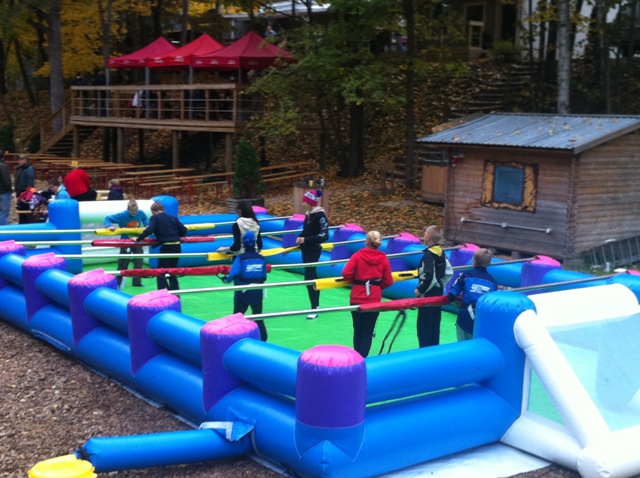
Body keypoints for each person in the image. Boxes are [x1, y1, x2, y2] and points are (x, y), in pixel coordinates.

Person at [342, 231, 394, 357]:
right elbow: (389, 280)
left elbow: (346, 273)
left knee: (357, 331)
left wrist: (356, 281)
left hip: (357, 296)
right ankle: (363, 358)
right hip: (374, 299)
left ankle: (356, 358)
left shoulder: (358, 255)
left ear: (367, 242)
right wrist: (376, 287)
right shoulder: (383, 259)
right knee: (368, 332)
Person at [223, 231, 268, 341]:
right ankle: (263, 340)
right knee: (258, 317)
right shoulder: (261, 258)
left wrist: (226, 280)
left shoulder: (240, 258)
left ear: (243, 243)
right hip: (257, 291)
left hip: (242, 292)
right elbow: (264, 276)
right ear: (255, 243)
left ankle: (233, 340)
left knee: (237, 317)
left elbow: (233, 273)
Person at [414, 225, 453, 347]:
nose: (424, 235)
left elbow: (429, 276)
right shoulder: (441, 253)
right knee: (434, 326)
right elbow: (449, 272)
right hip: (438, 294)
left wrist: (420, 289)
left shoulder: (428, 255)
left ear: (428, 237)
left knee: (424, 327)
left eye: (425, 233)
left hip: (428, 296)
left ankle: (424, 351)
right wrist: (440, 285)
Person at [447, 248, 498, 341]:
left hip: (464, 320)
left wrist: (458, 305)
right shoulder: (493, 283)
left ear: (474, 261)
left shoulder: (465, 276)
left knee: (463, 347)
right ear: (489, 263)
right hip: (481, 322)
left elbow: (451, 296)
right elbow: (492, 305)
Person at [135, 201, 187, 291]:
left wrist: (138, 239)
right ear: (163, 210)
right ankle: (175, 293)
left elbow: (149, 230)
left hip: (167, 247)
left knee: (160, 271)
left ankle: (163, 292)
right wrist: (174, 235)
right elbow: (184, 230)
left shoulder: (155, 218)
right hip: (177, 247)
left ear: (154, 211)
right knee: (172, 270)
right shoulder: (172, 217)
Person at [295, 189, 329, 319]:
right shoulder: (308, 214)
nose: (303, 203)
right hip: (306, 249)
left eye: (305, 201)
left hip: (314, 249)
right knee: (310, 277)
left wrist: (306, 240)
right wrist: (300, 237)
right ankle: (315, 305)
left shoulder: (320, 216)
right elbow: (307, 231)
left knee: (310, 278)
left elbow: (324, 235)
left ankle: (315, 307)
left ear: (310, 202)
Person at [105, 200, 149, 289]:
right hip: (125, 241)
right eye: (132, 211)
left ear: (137, 209)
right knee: (123, 262)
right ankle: (118, 281)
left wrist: (146, 224)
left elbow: (145, 218)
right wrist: (108, 226)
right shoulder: (122, 215)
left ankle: (137, 282)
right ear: (128, 209)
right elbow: (107, 218)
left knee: (139, 261)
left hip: (137, 240)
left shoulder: (140, 213)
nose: (134, 212)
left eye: (135, 210)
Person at [14, 155, 35, 224]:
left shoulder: (29, 169)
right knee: (20, 209)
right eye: (19, 160)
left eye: (21, 160)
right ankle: (22, 222)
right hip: (20, 192)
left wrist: (29, 194)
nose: (19, 161)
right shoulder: (20, 168)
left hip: (25, 193)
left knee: (25, 210)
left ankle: (25, 223)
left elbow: (30, 182)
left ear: (25, 160)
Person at [0, 150, 12, 225]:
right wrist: (9, 189)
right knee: (4, 212)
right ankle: (3, 228)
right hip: (3, 192)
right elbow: (6, 179)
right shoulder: (3, 166)